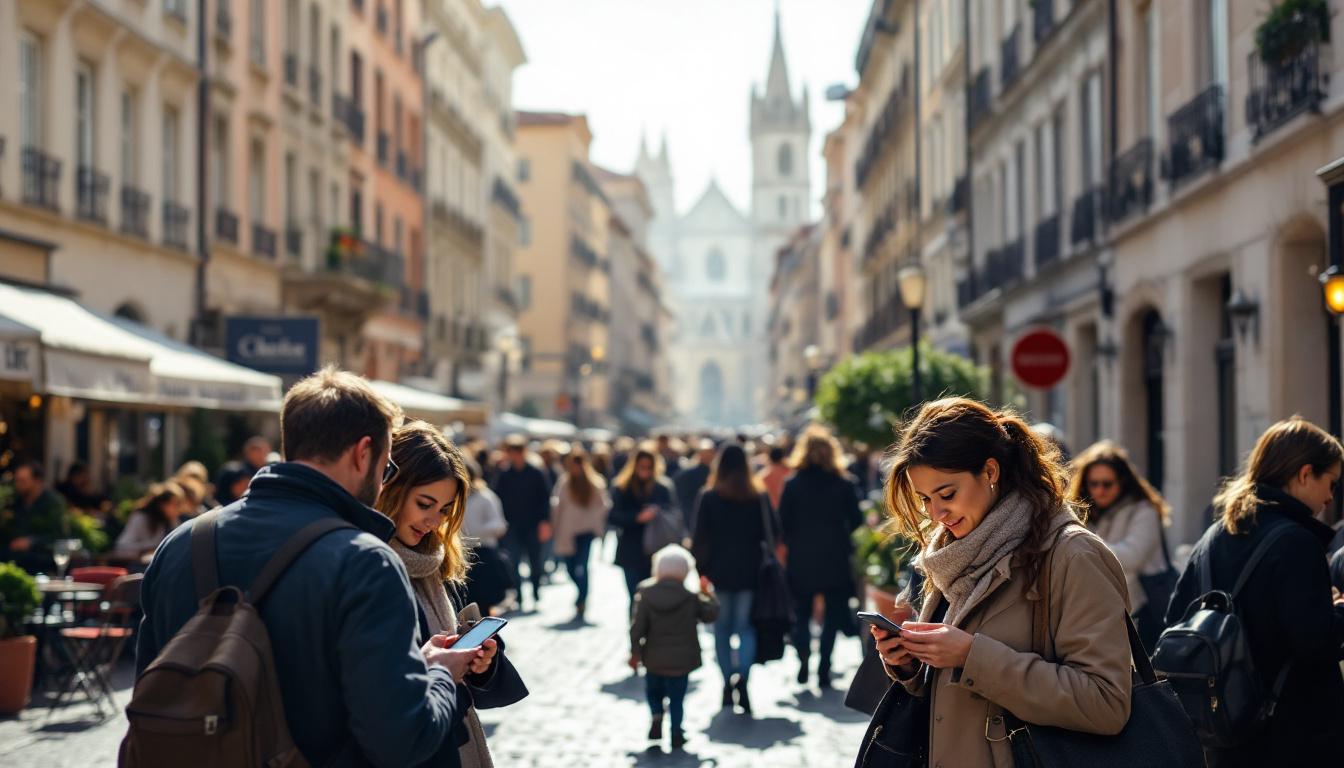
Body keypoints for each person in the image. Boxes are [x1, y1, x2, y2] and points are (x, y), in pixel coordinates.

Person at [137, 366, 471, 767]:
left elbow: (149, 692)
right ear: (363, 453)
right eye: (386, 469)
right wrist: (439, 676)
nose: (383, 484)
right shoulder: (365, 562)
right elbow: (400, 740)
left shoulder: (180, 543)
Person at [869, 398, 1133, 767]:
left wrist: (970, 656)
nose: (936, 513)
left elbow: (1105, 702)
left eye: (947, 494)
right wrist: (914, 665)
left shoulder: (1072, 555)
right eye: (925, 499)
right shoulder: (952, 553)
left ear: (990, 472)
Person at [1165, 417, 1344, 766]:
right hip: (1295, 735)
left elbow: (1175, 618)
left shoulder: (1213, 536)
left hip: (1225, 733)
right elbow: (1314, 641)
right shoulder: (1296, 542)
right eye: (1332, 482)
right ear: (1305, 474)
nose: (1330, 497)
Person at [375, 421, 521, 768]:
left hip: (447, 737)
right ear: (391, 490)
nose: (433, 520)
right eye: (425, 503)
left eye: (444, 510)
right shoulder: (366, 561)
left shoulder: (434, 558)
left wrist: (482, 662)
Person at [691, 443, 774, 714]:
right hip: (750, 572)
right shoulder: (757, 497)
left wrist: (701, 572)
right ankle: (744, 680)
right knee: (745, 628)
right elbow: (773, 532)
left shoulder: (709, 496)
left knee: (722, 631)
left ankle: (727, 682)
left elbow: (699, 539)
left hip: (719, 573)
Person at [777, 425, 863, 688]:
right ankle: (824, 668)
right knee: (833, 616)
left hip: (802, 557)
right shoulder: (844, 483)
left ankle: (804, 659)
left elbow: (783, 523)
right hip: (835, 556)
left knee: (801, 613)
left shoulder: (792, 484)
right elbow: (857, 522)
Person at [1066, 440, 1173, 650]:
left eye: (1107, 484)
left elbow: (1132, 556)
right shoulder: (1085, 512)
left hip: (1142, 608)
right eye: (1093, 484)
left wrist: (1081, 548)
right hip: (1100, 613)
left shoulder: (1144, 511)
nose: (1100, 490)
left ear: (1122, 481)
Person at [629, 544, 720, 751]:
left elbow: (637, 628)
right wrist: (707, 594)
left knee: (654, 692)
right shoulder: (690, 597)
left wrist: (634, 652)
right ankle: (677, 731)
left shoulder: (646, 594)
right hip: (681, 660)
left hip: (653, 659)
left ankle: (656, 715)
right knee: (677, 699)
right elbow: (710, 615)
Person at [610, 442, 680, 599]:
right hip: (631, 549)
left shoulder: (663, 487)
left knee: (655, 597)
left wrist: (657, 513)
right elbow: (612, 516)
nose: (645, 471)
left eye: (649, 467)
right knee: (634, 596)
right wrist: (636, 517)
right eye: (642, 466)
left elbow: (674, 515)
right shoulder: (622, 487)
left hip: (657, 549)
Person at [491, 435, 552, 610]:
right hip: (512, 526)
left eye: (517, 452)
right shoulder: (504, 474)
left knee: (535, 561)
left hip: (533, 525)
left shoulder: (536, 473)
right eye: (512, 452)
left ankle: (535, 590)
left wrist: (545, 522)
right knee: (514, 562)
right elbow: (497, 499)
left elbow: (545, 499)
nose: (515, 456)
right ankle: (519, 595)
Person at [550, 447, 611, 620]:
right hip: (568, 531)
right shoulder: (564, 482)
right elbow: (557, 505)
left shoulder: (595, 482)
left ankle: (582, 599)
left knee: (582, 566)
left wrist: (596, 523)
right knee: (569, 566)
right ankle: (580, 593)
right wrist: (555, 526)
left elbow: (603, 505)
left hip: (586, 531)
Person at [461, 456, 510, 614]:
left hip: (483, 553)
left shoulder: (486, 497)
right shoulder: (455, 498)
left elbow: (499, 524)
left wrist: (475, 531)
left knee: (483, 601)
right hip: (461, 554)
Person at [3, 461, 69, 570]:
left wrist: (31, 542)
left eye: (23, 481)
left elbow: (60, 535)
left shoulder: (52, 503)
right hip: (14, 559)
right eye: (17, 480)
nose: (18, 484)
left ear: (37, 481)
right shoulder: (14, 502)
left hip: (43, 561)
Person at [113, 481, 188, 559]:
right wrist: (149, 548)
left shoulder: (172, 521)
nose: (179, 509)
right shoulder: (140, 518)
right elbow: (121, 547)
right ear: (163, 504)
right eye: (176, 504)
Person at [672, 439, 715, 534]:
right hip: (689, 514)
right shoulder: (686, 474)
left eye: (710, 453)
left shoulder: (716, 474)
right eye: (705, 453)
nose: (707, 456)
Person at [757, 445, 792, 510]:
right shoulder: (790, 472)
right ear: (782, 457)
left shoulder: (764, 475)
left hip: (772, 509)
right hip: (789, 508)